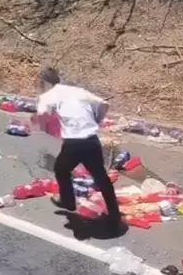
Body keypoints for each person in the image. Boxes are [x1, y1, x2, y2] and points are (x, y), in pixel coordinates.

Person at [36, 67, 123, 234]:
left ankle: (68, 202)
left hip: (74, 143)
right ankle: (114, 217)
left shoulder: (48, 96)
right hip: (91, 140)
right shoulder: (78, 91)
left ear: (45, 83)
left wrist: (45, 127)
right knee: (101, 178)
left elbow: (42, 114)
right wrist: (96, 120)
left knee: (61, 170)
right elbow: (104, 104)